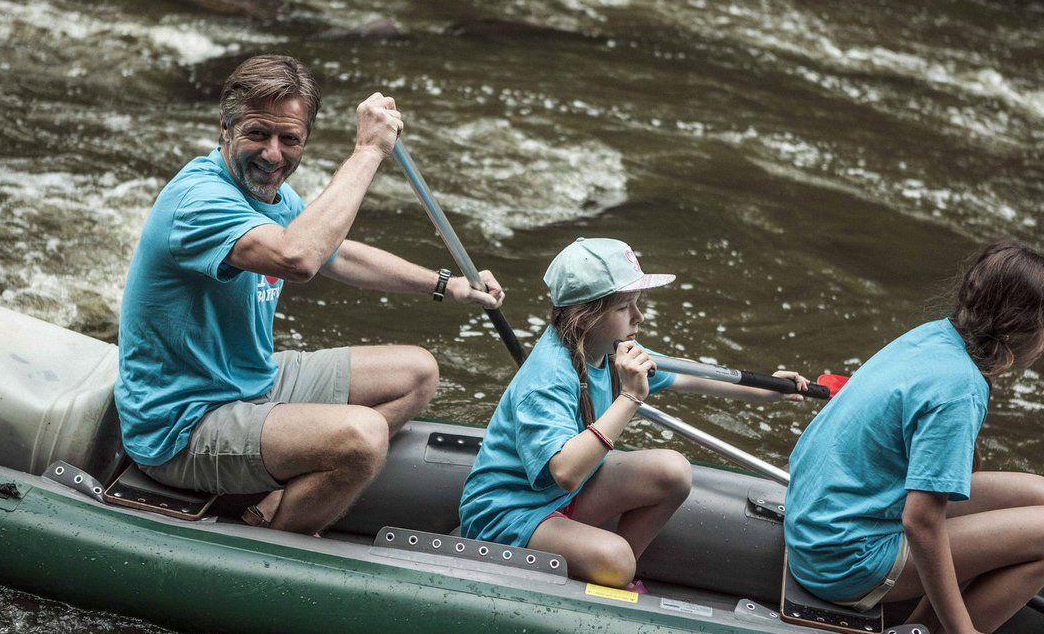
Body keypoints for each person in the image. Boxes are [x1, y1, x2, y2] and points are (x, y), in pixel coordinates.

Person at [114, 54, 504, 536]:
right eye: (257, 133)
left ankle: (286, 481)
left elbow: (336, 254)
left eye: (289, 139)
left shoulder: (267, 195)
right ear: (225, 127)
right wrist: (367, 152)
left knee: (418, 372)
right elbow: (297, 257)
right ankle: (278, 542)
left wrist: (446, 284)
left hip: (250, 384)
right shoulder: (200, 200)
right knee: (364, 436)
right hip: (183, 425)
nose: (273, 155)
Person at [784, 240, 1044, 634]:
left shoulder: (936, 336)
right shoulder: (959, 388)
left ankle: (927, 623)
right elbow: (920, 521)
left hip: (828, 516)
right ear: (1017, 323)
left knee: (1042, 494)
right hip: (844, 556)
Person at [458, 237, 808, 589]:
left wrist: (766, 391)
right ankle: (611, 572)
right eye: (625, 307)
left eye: (638, 303)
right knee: (616, 560)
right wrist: (629, 398)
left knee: (672, 471)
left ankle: (612, 573)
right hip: (508, 513)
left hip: (559, 498)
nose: (639, 317)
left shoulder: (607, 348)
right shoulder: (547, 378)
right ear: (584, 316)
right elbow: (565, 472)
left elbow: (686, 374)